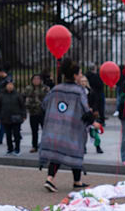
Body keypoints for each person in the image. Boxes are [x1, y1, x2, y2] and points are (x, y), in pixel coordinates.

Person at [41, 60, 95, 191]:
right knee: (76, 150)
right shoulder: (79, 91)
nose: (81, 75)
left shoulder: (56, 89)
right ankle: (73, 181)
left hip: (57, 127)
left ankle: (54, 179)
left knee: (57, 153)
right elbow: (86, 109)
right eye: (80, 73)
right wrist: (93, 120)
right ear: (75, 75)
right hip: (73, 128)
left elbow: (44, 104)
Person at [0, 78, 25, 156]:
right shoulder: (2, 95)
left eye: (11, 85)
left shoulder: (18, 95)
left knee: (16, 134)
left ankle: (17, 149)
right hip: (5, 118)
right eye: (8, 85)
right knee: (8, 135)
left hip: (16, 117)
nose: (10, 86)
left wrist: (24, 115)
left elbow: (22, 106)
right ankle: (10, 149)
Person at [26, 72, 48, 152]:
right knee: (34, 130)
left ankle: (45, 146)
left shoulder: (45, 88)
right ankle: (34, 146)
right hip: (33, 113)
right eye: (34, 79)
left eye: (38, 79)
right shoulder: (28, 88)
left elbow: (48, 100)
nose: (36, 80)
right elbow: (24, 98)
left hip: (43, 113)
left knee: (45, 130)